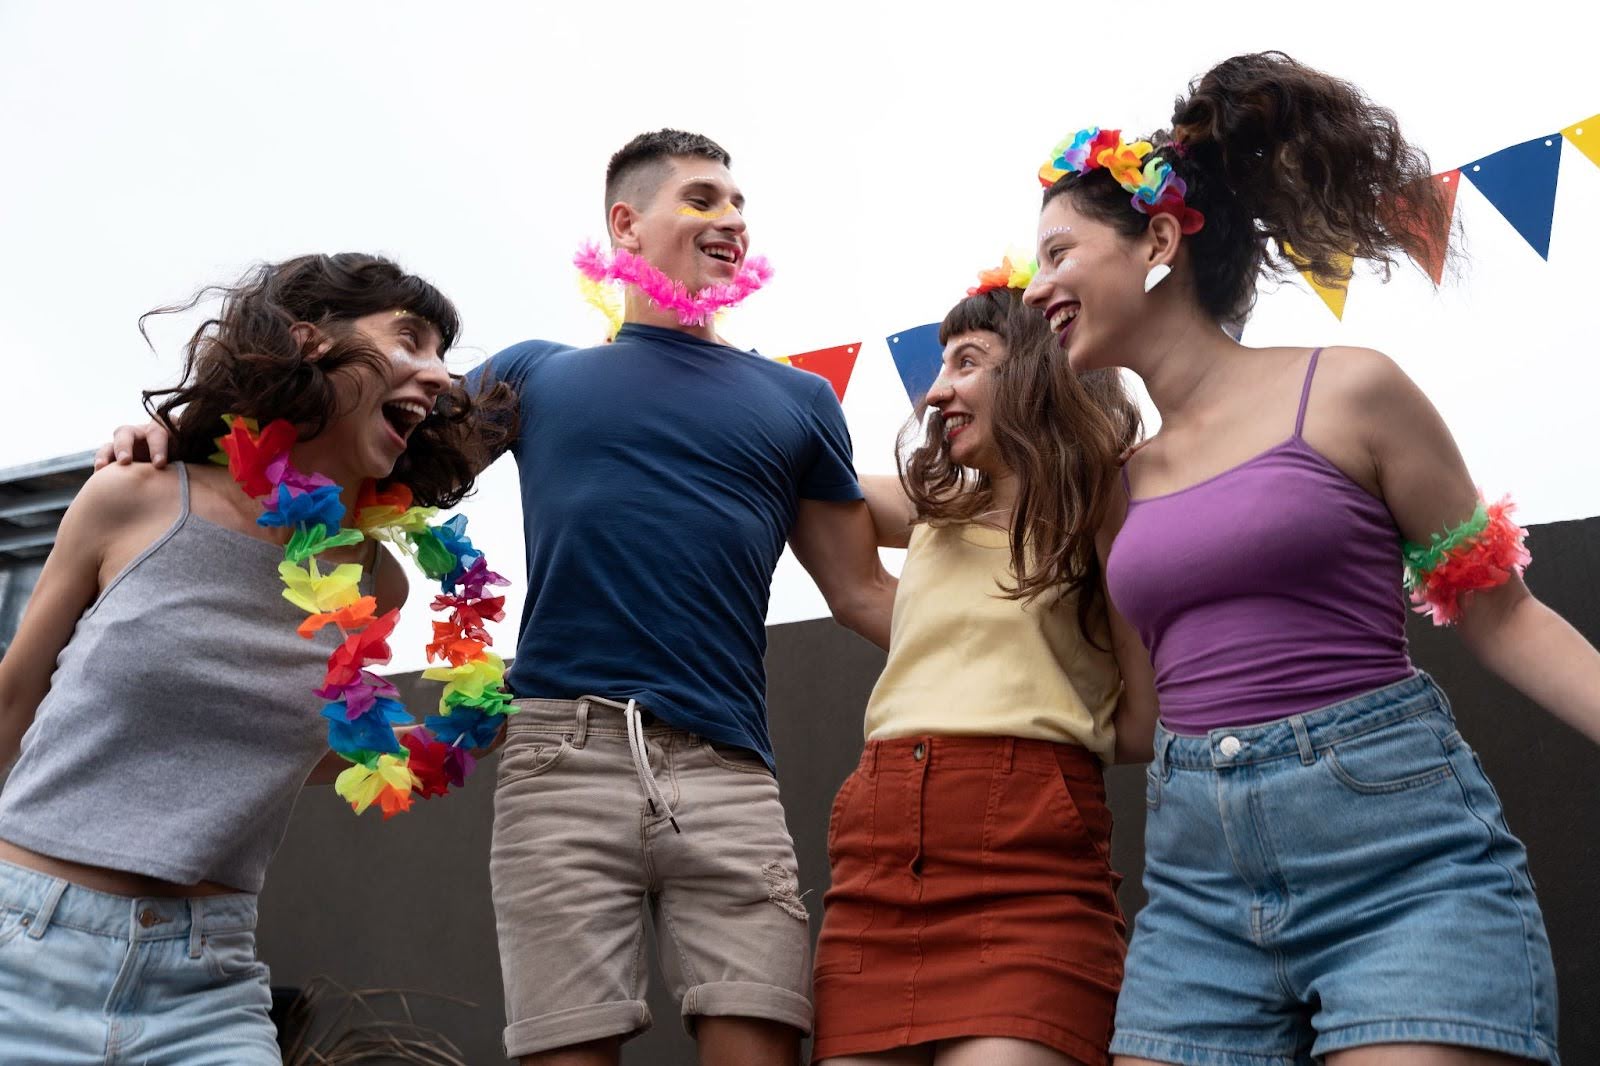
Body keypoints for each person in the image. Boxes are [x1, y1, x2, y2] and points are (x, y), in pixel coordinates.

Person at [102, 128, 894, 1066]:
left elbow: (860, 590)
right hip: (560, 757)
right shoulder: (539, 374)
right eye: (702, 198)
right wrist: (183, 449)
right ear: (626, 225)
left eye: (738, 204)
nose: (731, 219)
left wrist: (1017, 636)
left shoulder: (799, 403)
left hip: (729, 769)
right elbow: (361, 456)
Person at [1021, 51, 1600, 1066]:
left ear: (1159, 239)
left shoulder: (1347, 392)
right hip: (1195, 895)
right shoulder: (1119, 485)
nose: (1035, 289)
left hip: (1401, 867)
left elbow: (1503, 614)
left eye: (1058, 253)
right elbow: (1143, 711)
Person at [0, 253, 510, 1063]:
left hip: (207, 982)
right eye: (411, 339)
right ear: (308, 342)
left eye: (444, 357)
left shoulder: (377, 581)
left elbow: (285, 744)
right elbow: (14, 700)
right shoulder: (136, 495)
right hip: (23, 943)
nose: (442, 375)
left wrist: (467, 728)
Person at [810, 270, 1148, 1066]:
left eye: (966, 362)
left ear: (1037, 369)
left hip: (1031, 863)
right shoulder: (935, 507)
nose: (935, 393)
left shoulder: (1108, 506)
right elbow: (805, 476)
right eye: (940, 366)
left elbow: (1142, 723)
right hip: (879, 857)